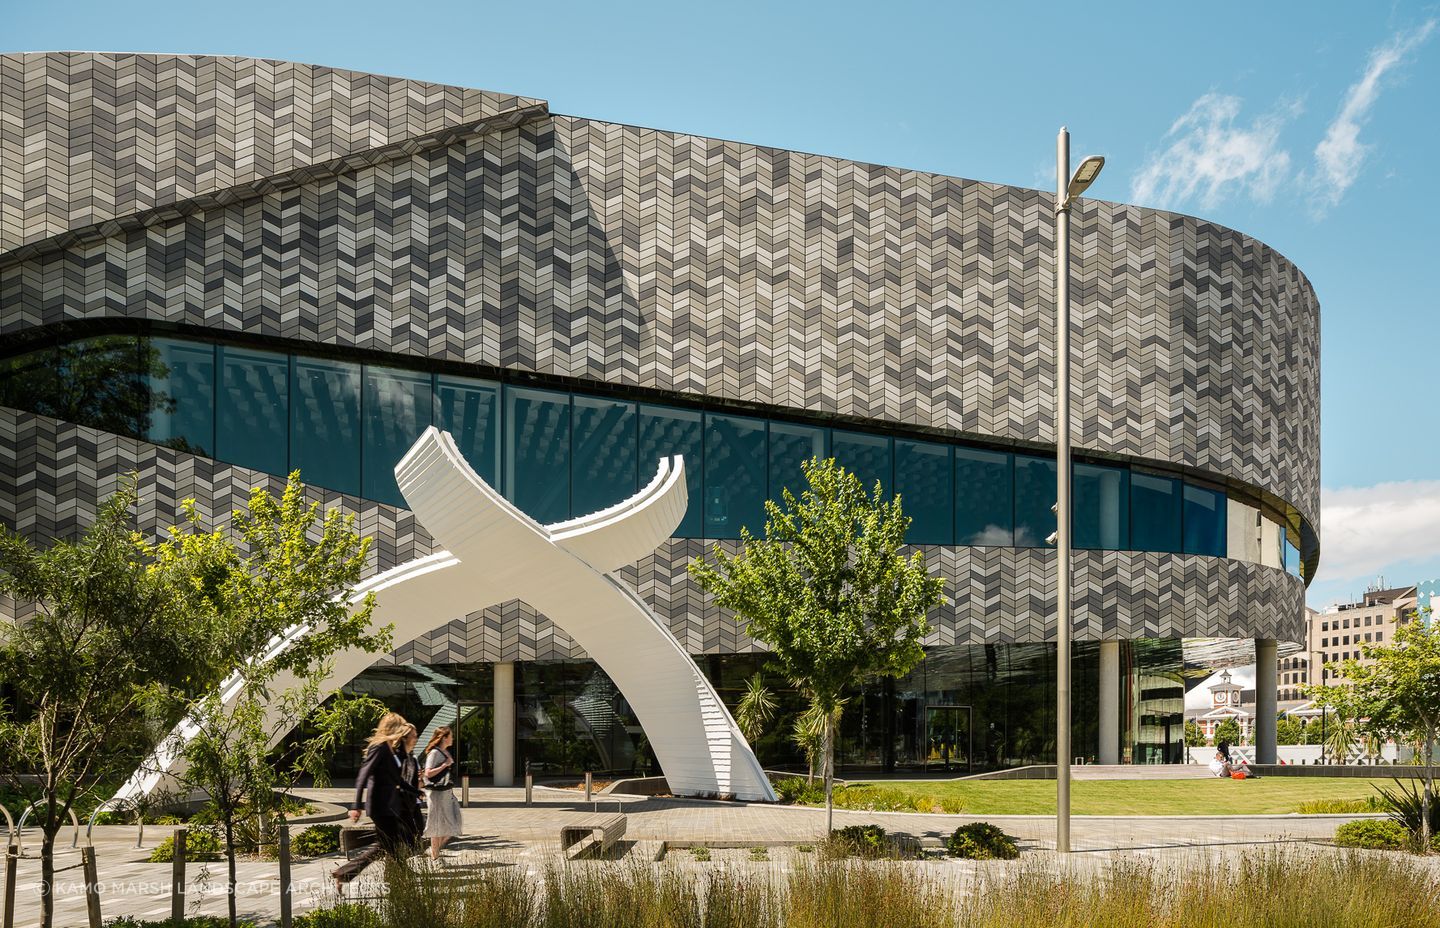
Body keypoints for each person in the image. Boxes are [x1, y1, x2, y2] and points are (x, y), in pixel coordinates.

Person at [332, 713, 424, 888]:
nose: (405, 730)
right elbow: (363, 775)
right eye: (402, 726)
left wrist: (416, 791)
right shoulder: (379, 747)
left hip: (389, 806)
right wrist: (356, 805)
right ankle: (402, 876)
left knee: (386, 844)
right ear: (394, 728)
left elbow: (397, 780)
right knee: (390, 843)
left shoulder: (389, 748)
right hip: (379, 806)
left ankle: (344, 874)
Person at [420, 726, 463, 861]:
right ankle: (435, 856)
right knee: (436, 825)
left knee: (454, 824)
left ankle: (434, 851)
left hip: (446, 793)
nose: (453, 738)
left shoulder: (445, 752)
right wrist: (445, 764)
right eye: (451, 736)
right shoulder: (434, 753)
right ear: (444, 737)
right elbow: (428, 773)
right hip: (437, 795)